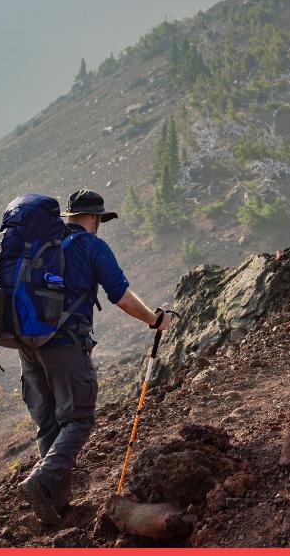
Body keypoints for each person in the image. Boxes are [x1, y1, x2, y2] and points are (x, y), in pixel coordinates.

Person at [17, 189, 175, 524]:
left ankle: (54, 507)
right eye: (100, 219)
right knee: (78, 420)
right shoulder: (92, 246)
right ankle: (41, 482)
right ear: (94, 218)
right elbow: (120, 295)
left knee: (50, 424)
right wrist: (154, 319)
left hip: (27, 345)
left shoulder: (41, 245)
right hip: (65, 344)